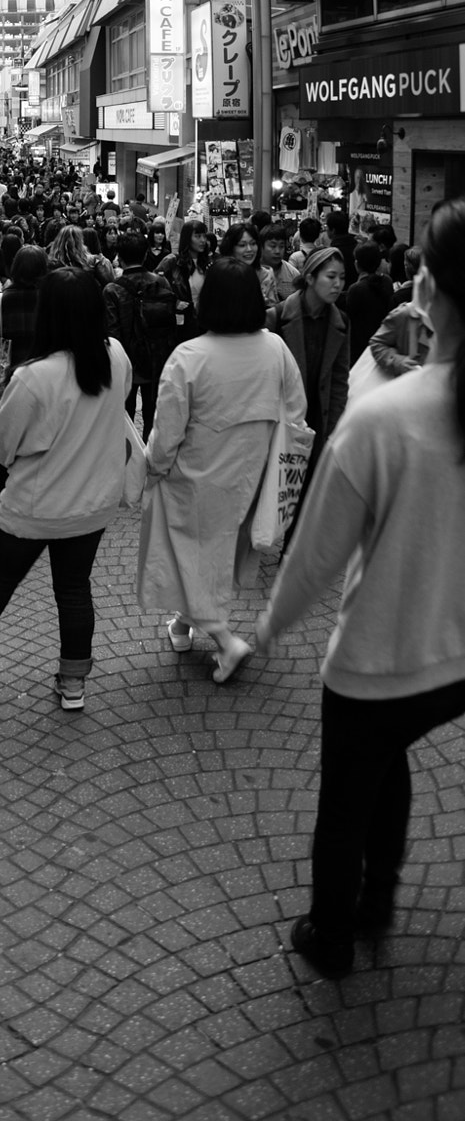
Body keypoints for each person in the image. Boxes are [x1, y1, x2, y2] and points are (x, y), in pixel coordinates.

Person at [254, 201, 465, 980]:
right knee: (390, 760)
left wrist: (262, 631)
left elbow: (312, 557)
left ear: (432, 293)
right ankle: (376, 898)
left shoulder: (382, 416)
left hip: (378, 657)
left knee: (346, 800)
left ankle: (336, 932)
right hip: (453, 660)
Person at [0, 268, 132, 711]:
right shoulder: (116, 355)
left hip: (35, 504)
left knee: (0, 578)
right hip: (93, 501)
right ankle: (73, 683)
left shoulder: (34, 376)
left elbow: (1, 445)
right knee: (73, 589)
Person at [136, 258, 310, 684]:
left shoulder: (189, 356)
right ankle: (183, 625)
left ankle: (226, 640)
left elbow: (167, 431)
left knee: (184, 555)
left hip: (194, 480)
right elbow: (296, 416)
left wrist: (153, 468)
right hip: (251, 477)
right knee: (213, 559)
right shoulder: (275, 348)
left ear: (206, 300)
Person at [277, 244, 350, 543]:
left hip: (318, 415)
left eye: (342, 278)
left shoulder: (341, 321)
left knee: (308, 484)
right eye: (330, 276)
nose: (337, 284)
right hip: (283, 415)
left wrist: (334, 424)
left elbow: (339, 378)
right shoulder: (279, 316)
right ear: (309, 278)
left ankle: (293, 548)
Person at [0, 245, 49, 506]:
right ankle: (36, 487)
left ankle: (1, 486)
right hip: (43, 378)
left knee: (6, 431)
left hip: (6, 378)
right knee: (39, 432)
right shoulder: (49, 299)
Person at [103, 228, 178, 439]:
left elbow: (112, 332)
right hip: (157, 356)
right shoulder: (160, 282)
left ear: (119, 256)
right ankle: (150, 453)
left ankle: (128, 456)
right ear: (145, 254)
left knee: (124, 415)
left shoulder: (112, 290)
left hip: (126, 359)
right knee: (153, 412)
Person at [158, 219, 215, 341]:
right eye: (197, 236)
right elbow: (156, 286)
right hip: (180, 324)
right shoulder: (172, 262)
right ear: (187, 238)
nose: (202, 240)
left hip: (205, 323)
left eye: (204, 236)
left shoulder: (208, 264)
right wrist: (174, 302)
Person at [345, 242, 398, 364]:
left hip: (360, 347)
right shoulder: (387, 281)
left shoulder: (356, 289)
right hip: (383, 342)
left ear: (357, 264)